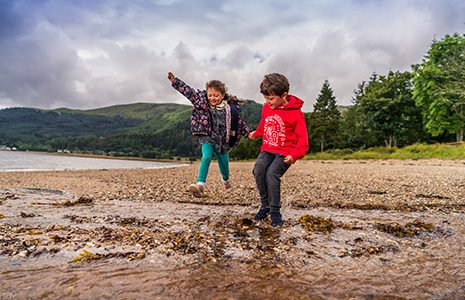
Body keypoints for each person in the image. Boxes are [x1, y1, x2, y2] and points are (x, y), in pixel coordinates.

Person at [168, 72, 249, 197]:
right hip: (207, 136)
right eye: (210, 95)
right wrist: (175, 81)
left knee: (224, 167)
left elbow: (240, 123)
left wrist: (247, 133)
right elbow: (188, 92)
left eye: (216, 95)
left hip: (223, 141)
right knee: (206, 156)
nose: (212, 98)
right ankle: (200, 184)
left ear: (222, 95)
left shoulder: (231, 108)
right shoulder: (201, 101)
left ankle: (225, 179)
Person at [248, 73, 309, 226]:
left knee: (272, 174)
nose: (268, 102)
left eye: (271, 99)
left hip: (285, 152)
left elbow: (303, 141)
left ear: (284, 95)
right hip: (267, 148)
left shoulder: (296, 114)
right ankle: (265, 205)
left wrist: (294, 155)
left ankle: (275, 211)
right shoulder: (266, 108)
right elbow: (265, 123)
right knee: (258, 170)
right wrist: (257, 132)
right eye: (266, 98)